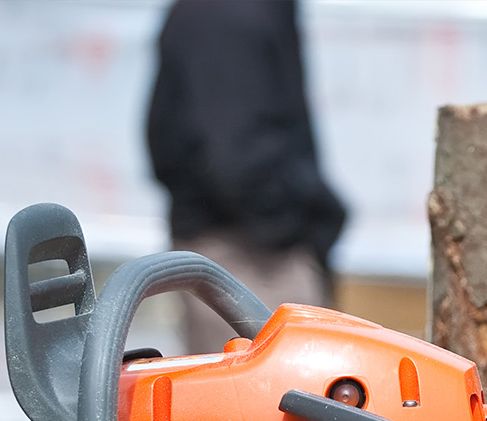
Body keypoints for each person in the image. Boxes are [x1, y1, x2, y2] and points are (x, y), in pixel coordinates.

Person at [146, 0, 347, 354]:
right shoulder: (226, 16)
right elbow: (234, 159)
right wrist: (294, 223)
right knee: (265, 401)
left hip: (249, 247)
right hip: (248, 256)